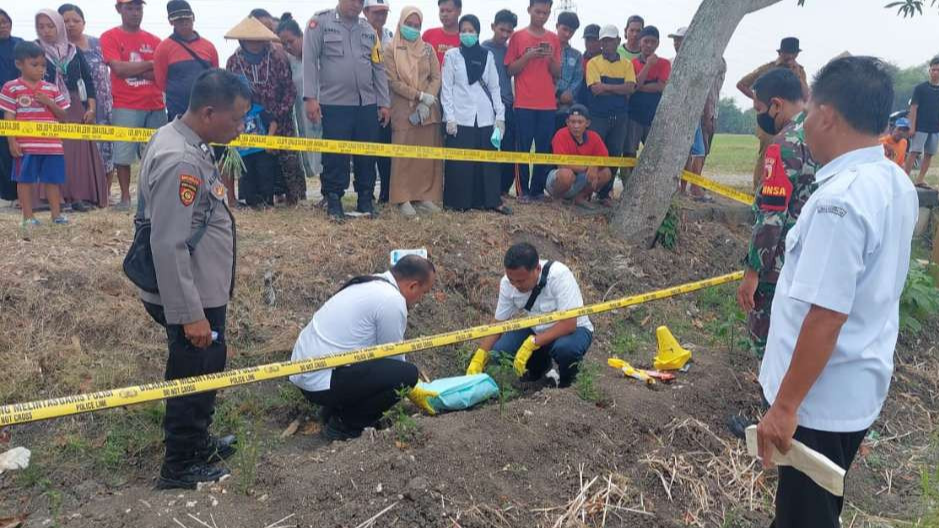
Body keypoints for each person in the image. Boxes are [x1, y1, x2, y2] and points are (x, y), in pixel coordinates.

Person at [756, 56, 917, 528]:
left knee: (805, 517)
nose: (803, 125)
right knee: (815, 505)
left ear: (827, 115)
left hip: (818, 401)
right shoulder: (893, 181)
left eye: (808, 115)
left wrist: (785, 407)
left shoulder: (838, 202)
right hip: (855, 384)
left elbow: (826, 315)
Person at [138, 68, 250, 490]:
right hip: (192, 295)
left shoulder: (186, 140)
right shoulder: (181, 160)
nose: (241, 128)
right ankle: (180, 465)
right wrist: (190, 316)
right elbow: (169, 245)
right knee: (191, 373)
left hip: (204, 287)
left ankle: (199, 443)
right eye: (236, 119)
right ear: (208, 112)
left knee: (207, 367)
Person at [289, 255, 438, 441]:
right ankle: (345, 424)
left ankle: (333, 410)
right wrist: (412, 387)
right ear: (413, 286)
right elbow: (393, 359)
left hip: (304, 370)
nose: (420, 299)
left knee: (380, 369)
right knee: (406, 374)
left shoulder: (372, 282)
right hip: (320, 380)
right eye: (423, 293)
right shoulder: (392, 301)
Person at [735, 68, 817, 360]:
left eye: (759, 107)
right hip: (815, 261)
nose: (760, 114)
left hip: (779, 267)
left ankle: (772, 405)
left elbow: (771, 217)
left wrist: (753, 271)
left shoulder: (782, 146)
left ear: (777, 105)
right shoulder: (822, 137)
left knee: (771, 349)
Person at [303, 0, 391, 220]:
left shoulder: (369, 30)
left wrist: (384, 102)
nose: (356, 4)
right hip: (334, 103)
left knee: (366, 154)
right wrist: (310, 97)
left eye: (361, 1)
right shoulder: (319, 23)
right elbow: (310, 62)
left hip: (366, 104)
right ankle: (333, 200)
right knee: (335, 155)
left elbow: (378, 68)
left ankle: (365, 199)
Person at [465, 243, 594, 388]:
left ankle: (567, 383)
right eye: (511, 279)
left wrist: (532, 343)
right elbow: (498, 324)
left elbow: (569, 324)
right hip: (537, 330)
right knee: (499, 351)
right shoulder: (507, 284)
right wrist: (480, 355)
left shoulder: (559, 276)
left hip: (574, 330)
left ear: (537, 269)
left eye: (521, 281)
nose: (515, 285)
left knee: (566, 349)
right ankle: (541, 373)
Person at [225, 17, 304, 206]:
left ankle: (294, 201)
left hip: (280, 119)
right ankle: (256, 201)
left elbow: (289, 89)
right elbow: (229, 93)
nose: (255, 43)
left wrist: (277, 114)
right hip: (248, 124)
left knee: (288, 162)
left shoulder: (277, 57)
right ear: (242, 40)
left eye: (258, 38)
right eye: (250, 39)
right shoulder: (234, 63)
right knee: (253, 166)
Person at [36, 8, 107, 212]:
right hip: (44, 106)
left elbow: (88, 81)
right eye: (41, 26)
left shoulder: (73, 51)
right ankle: (50, 198)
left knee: (76, 153)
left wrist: (91, 107)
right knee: (50, 151)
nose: (47, 31)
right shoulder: (35, 49)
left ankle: (79, 196)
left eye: (50, 26)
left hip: (75, 107)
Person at [100, 0, 166, 210]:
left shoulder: (155, 40)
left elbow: (161, 74)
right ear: (119, 10)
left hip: (155, 104)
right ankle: (126, 197)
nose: (135, 13)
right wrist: (148, 64)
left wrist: (134, 68)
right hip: (125, 102)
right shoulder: (110, 36)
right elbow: (118, 69)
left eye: (138, 8)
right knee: (123, 154)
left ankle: (153, 197)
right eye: (129, 8)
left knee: (158, 153)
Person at [441, 15, 510, 215]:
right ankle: (459, 203)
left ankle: (489, 201)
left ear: (478, 33)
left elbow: (495, 87)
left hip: (485, 117)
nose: (467, 34)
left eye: (471, 31)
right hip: (460, 118)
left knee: (487, 164)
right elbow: (446, 89)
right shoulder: (452, 56)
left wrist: (500, 117)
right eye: (464, 30)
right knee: (460, 164)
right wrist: (450, 117)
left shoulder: (487, 56)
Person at [0, 41, 70, 227]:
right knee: (24, 180)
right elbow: (9, 116)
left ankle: (56, 216)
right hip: (26, 145)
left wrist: (49, 102)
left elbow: (63, 115)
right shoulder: (11, 88)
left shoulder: (52, 89)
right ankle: (28, 217)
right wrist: (11, 141)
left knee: (53, 180)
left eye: (43, 65)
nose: (40, 69)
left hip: (52, 145)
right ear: (19, 64)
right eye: (34, 64)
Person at [384, 7, 444, 218]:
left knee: (426, 154)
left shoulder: (427, 49)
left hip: (428, 109)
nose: (412, 29)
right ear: (401, 23)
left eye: (416, 26)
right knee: (404, 155)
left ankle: (424, 195)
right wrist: (419, 96)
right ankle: (403, 198)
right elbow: (393, 82)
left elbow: (436, 77)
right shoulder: (390, 49)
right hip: (403, 107)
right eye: (409, 24)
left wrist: (427, 101)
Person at [506, 0, 561, 203]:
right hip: (524, 103)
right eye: (538, 12)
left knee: (543, 148)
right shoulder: (518, 37)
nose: (541, 16)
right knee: (522, 148)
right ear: (529, 10)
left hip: (547, 104)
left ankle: (537, 190)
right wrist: (528, 57)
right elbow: (510, 69)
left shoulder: (553, 39)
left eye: (546, 13)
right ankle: (522, 191)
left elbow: (557, 73)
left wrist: (550, 58)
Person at [736, 37, 809, 191]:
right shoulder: (767, 68)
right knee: (766, 156)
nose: (790, 58)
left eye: (793, 55)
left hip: (791, 120)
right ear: (780, 53)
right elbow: (742, 84)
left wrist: (797, 74)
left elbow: (806, 96)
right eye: (786, 54)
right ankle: (758, 190)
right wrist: (760, 101)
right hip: (770, 117)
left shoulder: (800, 71)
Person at [59, 4, 114, 183]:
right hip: (74, 106)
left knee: (106, 147)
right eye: (65, 21)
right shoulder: (56, 48)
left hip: (103, 104)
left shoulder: (99, 44)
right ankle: (83, 190)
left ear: (84, 23)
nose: (71, 24)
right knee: (79, 149)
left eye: (76, 20)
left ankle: (104, 193)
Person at [585, 25, 634, 206]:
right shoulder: (593, 63)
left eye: (610, 40)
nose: (607, 44)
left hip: (620, 117)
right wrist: (617, 89)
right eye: (604, 40)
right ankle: (588, 191)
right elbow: (595, 90)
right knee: (595, 155)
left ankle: (604, 194)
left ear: (618, 41)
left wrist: (606, 86)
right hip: (598, 116)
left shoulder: (627, 64)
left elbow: (630, 88)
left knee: (614, 154)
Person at [153, 0, 219, 121]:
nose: (184, 23)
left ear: (193, 18)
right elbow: (161, 82)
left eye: (187, 19)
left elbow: (215, 77)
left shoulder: (209, 47)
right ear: (171, 22)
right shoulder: (163, 48)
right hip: (178, 113)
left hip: (206, 110)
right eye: (179, 20)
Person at [276, 14, 321, 181]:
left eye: (291, 41)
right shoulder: (290, 60)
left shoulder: (318, 54)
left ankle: (330, 192)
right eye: (284, 43)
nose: (288, 46)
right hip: (302, 114)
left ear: (302, 36)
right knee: (311, 152)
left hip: (322, 109)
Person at [482, 9, 519, 198]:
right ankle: (488, 189)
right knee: (488, 149)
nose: (505, 34)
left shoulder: (510, 51)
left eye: (509, 31)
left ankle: (504, 189)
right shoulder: (483, 49)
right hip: (487, 107)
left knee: (508, 148)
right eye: (501, 29)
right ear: (493, 27)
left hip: (508, 107)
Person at [668, 26, 708, 200]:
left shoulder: (699, 64)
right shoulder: (670, 63)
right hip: (675, 113)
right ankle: (680, 188)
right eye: (675, 40)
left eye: (680, 39)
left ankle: (692, 187)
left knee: (698, 151)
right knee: (681, 152)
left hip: (693, 115)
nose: (677, 43)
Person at [547, 105, 612, 207]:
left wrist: (596, 166)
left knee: (606, 173)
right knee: (566, 175)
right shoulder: (560, 134)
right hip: (558, 180)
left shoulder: (594, 136)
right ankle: (557, 199)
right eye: (573, 122)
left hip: (580, 179)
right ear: (567, 122)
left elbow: (605, 159)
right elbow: (561, 164)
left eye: (580, 122)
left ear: (587, 123)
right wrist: (589, 168)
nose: (576, 126)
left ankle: (580, 198)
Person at [624, 26, 670, 163]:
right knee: (629, 152)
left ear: (658, 43)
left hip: (655, 116)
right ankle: (628, 182)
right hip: (634, 115)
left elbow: (661, 87)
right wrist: (648, 65)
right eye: (646, 41)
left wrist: (639, 86)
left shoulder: (664, 63)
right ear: (640, 42)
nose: (649, 45)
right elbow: (633, 86)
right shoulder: (632, 63)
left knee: (655, 154)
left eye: (653, 42)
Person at [364, 0, 394, 203]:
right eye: (376, 13)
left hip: (387, 104)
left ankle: (386, 193)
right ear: (366, 12)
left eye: (384, 13)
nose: (380, 17)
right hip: (365, 103)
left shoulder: (391, 37)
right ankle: (366, 193)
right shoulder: (359, 34)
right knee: (367, 153)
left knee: (386, 151)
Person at [904, 57, 939, 186]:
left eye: (938, 70)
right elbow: (913, 108)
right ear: (929, 71)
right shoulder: (920, 88)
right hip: (920, 126)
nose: (935, 72)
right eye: (933, 69)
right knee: (914, 152)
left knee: (929, 154)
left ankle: (920, 179)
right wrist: (911, 126)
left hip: (935, 128)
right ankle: (905, 179)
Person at [0, 8, 23, 203]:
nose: (2, 26)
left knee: (16, 147)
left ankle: (18, 192)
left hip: (19, 104)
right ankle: (5, 193)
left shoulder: (20, 44)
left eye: (5, 22)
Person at [554, 11, 582, 131]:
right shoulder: (546, 49)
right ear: (557, 26)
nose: (567, 34)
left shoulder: (576, 55)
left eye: (571, 31)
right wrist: (555, 95)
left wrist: (566, 96)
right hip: (544, 103)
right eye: (564, 29)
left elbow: (577, 80)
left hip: (566, 107)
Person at [422, 0, 462, 66]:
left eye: (449, 11)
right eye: (442, 11)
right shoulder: (428, 35)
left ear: (459, 11)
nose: (444, 14)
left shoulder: (465, 38)